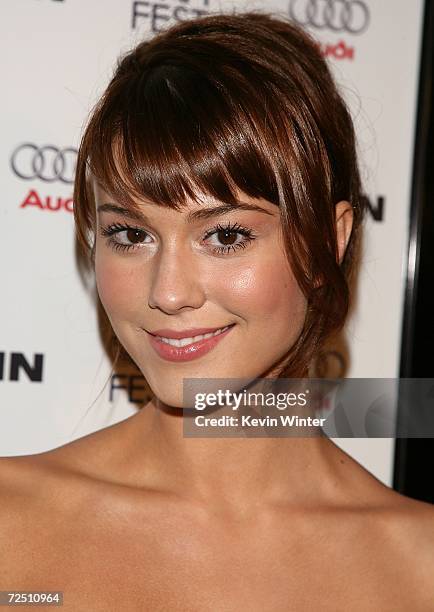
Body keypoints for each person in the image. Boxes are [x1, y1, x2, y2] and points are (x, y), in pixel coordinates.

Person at [2, 10, 434, 611]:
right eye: (130, 234)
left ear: (329, 241)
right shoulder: (10, 525)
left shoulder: (419, 565)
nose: (168, 292)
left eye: (225, 236)